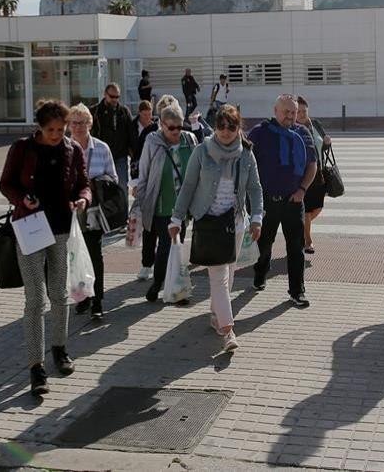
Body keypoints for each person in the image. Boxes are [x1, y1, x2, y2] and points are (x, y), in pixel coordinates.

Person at [0, 100, 91, 398]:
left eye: (61, 130)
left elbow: (84, 184)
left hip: (61, 228)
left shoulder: (72, 149)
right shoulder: (22, 149)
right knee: (35, 299)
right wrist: (22, 199)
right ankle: (35, 367)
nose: (56, 135)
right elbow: (6, 183)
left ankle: (60, 350)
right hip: (30, 229)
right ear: (39, 127)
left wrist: (83, 200)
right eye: (51, 130)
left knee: (59, 295)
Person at [169, 105, 264, 352]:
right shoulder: (202, 151)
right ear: (216, 126)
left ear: (238, 128)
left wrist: (257, 217)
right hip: (209, 223)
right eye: (221, 126)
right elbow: (188, 186)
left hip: (235, 224)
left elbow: (255, 188)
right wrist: (176, 218)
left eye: (231, 127)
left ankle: (215, 315)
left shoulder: (246, 154)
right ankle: (228, 330)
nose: (225, 132)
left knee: (229, 274)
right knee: (219, 277)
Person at [249, 94, 318, 308]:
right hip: (267, 201)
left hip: (293, 201)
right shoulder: (260, 132)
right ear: (275, 111)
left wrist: (302, 190)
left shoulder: (303, 133)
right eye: (286, 111)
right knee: (264, 245)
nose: (290, 116)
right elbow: (246, 162)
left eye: (293, 112)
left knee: (296, 247)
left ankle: (297, 291)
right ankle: (260, 273)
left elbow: (312, 165)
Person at [131, 103, 198, 302]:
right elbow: (143, 173)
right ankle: (160, 283)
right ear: (161, 124)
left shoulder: (189, 139)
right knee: (168, 246)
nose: (176, 131)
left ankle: (175, 288)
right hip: (161, 204)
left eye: (179, 126)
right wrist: (140, 202)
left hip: (183, 206)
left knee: (177, 245)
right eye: (171, 127)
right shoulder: (153, 141)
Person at [68, 103, 117, 320]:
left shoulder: (102, 148)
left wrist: (98, 185)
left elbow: (114, 179)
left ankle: (97, 300)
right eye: (74, 122)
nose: (78, 127)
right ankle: (82, 297)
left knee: (95, 255)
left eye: (82, 122)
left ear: (90, 123)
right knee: (75, 256)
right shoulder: (64, 148)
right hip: (70, 212)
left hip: (94, 211)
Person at [295, 96, 331, 256]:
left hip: (320, 174)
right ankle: (307, 241)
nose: (302, 114)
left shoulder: (315, 124)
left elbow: (322, 145)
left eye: (304, 111)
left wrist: (327, 142)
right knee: (307, 210)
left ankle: (301, 226)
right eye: (299, 111)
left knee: (317, 207)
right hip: (303, 175)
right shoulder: (294, 129)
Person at [90, 83, 133, 194]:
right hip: (100, 156)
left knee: (122, 187)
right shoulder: (95, 111)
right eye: (112, 96)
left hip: (120, 156)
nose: (114, 99)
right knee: (101, 189)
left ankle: (123, 211)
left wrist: (133, 153)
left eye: (117, 97)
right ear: (105, 94)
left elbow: (131, 133)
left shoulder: (123, 112)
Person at [129, 99, 154, 182]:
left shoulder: (155, 127)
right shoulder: (132, 126)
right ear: (139, 113)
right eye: (145, 114)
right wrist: (132, 154)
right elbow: (127, 142)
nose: (148, 117)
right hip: (136, 162)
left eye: (149, 114)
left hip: (151, 162)